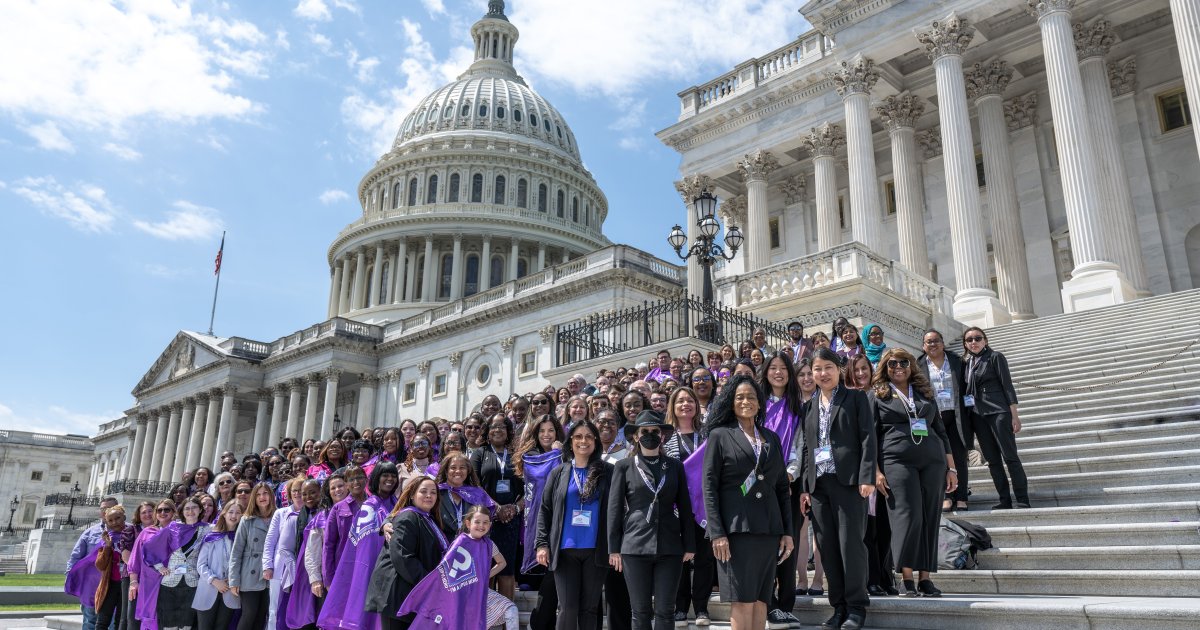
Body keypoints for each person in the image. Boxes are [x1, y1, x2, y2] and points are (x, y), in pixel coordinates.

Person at [702, 374, 793, 630]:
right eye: (739, 397)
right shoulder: (720, 436)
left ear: (760, 402)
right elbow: (709, 487)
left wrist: (787, 532)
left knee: (761, 600)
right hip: (735, 531)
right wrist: (717, 532)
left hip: (768, 530)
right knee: (742, 600)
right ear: (731, 403)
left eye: (751, 397)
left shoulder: (771, 438)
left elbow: (782, 490)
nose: (746, 401)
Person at [797, 348, 876, 630]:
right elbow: (808, 447)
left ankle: (856, 607)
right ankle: (839, 607)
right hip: (820, 486)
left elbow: (868, 438)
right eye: (817, 369)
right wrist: (806, 487)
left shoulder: (855, 398)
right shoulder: (809, 406)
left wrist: (867, 476)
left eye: (828, 367)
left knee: (850, 545)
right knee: (828, 548)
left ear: (838, 369)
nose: (822, 374)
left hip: (849, 482)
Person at [870, 348, 956, 597]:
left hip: (933, 460)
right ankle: (906, 577)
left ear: (911, 366)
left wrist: (951, 468)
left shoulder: (925, 392)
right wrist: (875, 471)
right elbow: (870, 437)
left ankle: (925, 578)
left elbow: (940, 431)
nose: (898, 367)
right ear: (885, 367)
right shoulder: (878, 395)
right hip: (896, 461)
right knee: (907, 516)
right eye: (893, 363)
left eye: (904, 362)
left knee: (929, 516)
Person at [608, 411, 695, 630]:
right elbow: (614, 509)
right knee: (640, 610)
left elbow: (685, 507)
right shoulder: (624, 466)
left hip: (670, 546)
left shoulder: (675, 466)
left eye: (654, 431)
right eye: (644, 431)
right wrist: (614, 548)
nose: (649, 435)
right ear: (635, 436)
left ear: (662, 436)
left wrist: (690, 544)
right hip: (634, 547)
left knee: (666, 610)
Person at [536, 420, 613, 630]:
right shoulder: (558, 472)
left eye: (589, 436)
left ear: (596, 441)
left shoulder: (608, 471)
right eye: (578, 436)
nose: (583, 441)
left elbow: (617, 511)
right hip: (564, 551)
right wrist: (542, 544)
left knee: (589, 609)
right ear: (570, 442)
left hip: (596, 550)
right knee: (567, 607)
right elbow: (545, 510)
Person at [318, 462, 400, 630]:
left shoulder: (377, 504)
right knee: (347, 616)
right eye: (351, 479)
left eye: (360, 478)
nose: (356, 482)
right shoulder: (338, 508)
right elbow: (328, 545)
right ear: (346, 483)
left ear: (366, 480)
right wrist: (328, 577)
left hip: (372, 566)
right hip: (347, 568)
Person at [757, 352, 805, 629]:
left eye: (783, 368)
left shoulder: (798, 407)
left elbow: (799, 445)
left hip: (789, 483)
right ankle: (769, 603)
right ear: (765, 372)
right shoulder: (758, 405)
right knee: (766, 545)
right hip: (759, 484)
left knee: (789, 542)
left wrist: (790, 472)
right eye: (772, 368)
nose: (778, 373)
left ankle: (786, 604)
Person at [366, 476, 446, 630]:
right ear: (411, 495)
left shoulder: (428, 518)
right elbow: (403, 558)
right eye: (423, 491)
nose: (429, 495)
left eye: (433, 492)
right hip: (398, 595)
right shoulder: (407, 517)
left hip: (412, 593)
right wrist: (429, 583)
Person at [962, 327, 1029, 509]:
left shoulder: (995, 357)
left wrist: (1014, 415)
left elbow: (1007, 386)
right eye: (969, 340)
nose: (973, 342)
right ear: (965, 344)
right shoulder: (967, 363)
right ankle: (1004, 500)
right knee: (992, 461)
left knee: (1010, 456)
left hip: (998, 412)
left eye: (977, 338)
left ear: (985, 340)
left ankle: (1022, 499)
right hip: (978, 416)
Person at [662, 387, 712, 627]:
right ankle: (680, 607)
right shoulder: (666, 437)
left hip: (704, 506)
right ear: (673, 406)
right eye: (680, 401)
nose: (685, 404)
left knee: (704, 557)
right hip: (676, 506)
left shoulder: (707, 435)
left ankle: (701, 607)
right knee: (679, 558)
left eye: (690, 400)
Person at [470, 414, 523, 600]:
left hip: (511, 520)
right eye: (493, 426)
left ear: (509, 431)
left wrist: (515, 508)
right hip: (486, 520)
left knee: (507, 570)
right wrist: (495, 507)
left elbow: (528, 489)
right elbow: (474, 485)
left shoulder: (517, 455)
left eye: (502, 426)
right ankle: (486, 620)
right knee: (488, 569)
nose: (498, 430)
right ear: (487, 431)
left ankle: (506, 622)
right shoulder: (480, 453)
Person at [918, 329, 972, 512]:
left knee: (959, 457)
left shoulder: (957, 361)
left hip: (955, 416)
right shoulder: (918, 365)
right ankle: (946, 495)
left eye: (936, 341)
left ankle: (962, 496)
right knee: (939, 458)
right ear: (923, 346)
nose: (932, 345)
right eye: (928, 342)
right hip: (934, 418)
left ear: (942, 342)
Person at [287, 473, 348, 630]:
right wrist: (315, 579)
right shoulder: (322, 516)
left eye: (340, 486)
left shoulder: (357, 510)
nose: (337, 490)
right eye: (333, 487)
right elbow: (311, 551)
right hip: (325, 576)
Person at [789, 359, 826, 597]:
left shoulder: (825, 401)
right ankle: (801, 578)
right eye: (801, 374)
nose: (806, 379)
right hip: (796, 472)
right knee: (800, 529)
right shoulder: (790, 405)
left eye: (809, 373)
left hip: (821, 469)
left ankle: (819, 579)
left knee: (820, 528)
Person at [145, 496, 206, 630]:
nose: (191, 511)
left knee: (187, 622)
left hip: (192, 580)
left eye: (194, 507)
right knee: (168, 622)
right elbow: (151, 547)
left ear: (200, 509)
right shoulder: (173, 527)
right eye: (187, 508)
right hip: (170, 580)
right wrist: (160, 567)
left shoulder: (207, 529)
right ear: (182, 511)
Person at [67, 496, 119, 630]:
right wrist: (71, 576)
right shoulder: (90, 532)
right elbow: (76, 556)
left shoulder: (128, 530)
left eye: (109, 508)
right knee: (90, 621)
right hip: (91, 586)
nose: (105, 511)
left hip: (115, 585)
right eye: (102, 509)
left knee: (113, 623)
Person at [229, 483, 275, 630]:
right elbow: (236, 551)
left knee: (262, 615)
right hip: (250, 573)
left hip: (272, 572)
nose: (262, 497)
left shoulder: (279, 515)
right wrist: (234, 580)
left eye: (265, 493)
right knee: (249, 614)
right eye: (258, 494)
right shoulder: (247, 519)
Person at [193, 501, 241, 630]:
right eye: (231, 512)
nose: (234, 515)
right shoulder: (211, 536)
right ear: (224, 514)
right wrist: (214, 581)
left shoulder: (241, 539)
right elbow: (201, 564)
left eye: (238, 513)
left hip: (230, 591)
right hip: (209, 588)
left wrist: (233, 581)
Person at [129, 499, 176, 630]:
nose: (163, 512)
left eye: (167, 509)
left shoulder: (179, 533)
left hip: (173, 581)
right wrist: (133, 583)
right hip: (149, 583)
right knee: (149, 620)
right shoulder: (147, 532)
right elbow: (135, 559)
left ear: (173, 512)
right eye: (159, 510)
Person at [263, 478, 303, 629]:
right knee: (275, 609)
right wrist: (267, 565)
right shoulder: (281, 513)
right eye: (295, 491)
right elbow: (270, 541)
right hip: (279, 569)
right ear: (289, 494)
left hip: (302, 569)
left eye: (301, 490)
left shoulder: (314, 513)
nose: (298, 494)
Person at [435, 452, 495, 540]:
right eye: (453, 468)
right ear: (446, 470)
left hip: (471, 546)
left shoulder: (477, 493)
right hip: (443, 546)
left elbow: (486, 523)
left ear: (468, 470)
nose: (458, 471)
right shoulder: (436, 493)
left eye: (462, 468)